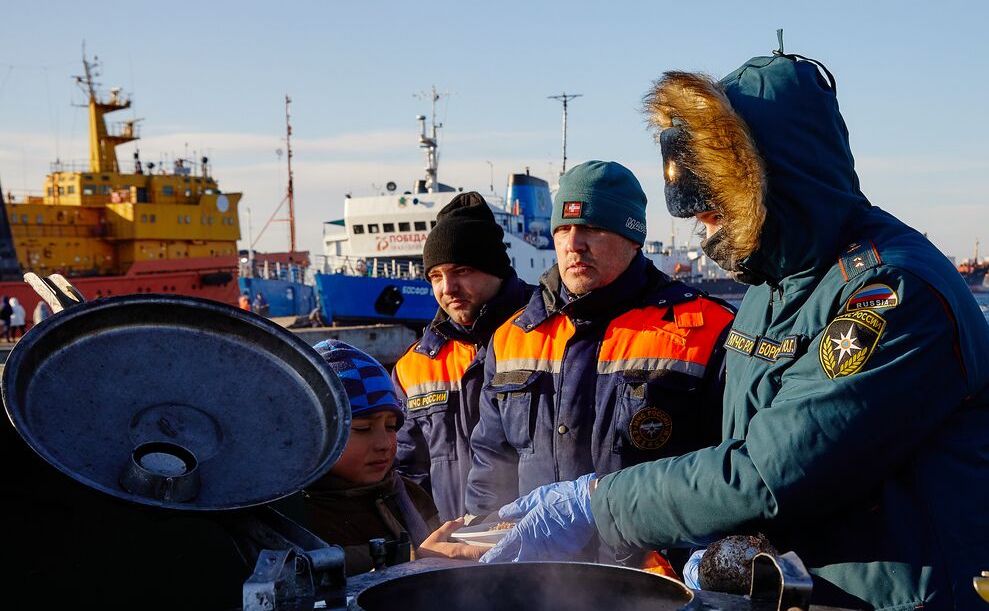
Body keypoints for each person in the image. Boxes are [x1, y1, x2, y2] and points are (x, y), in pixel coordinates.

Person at [482, 53, 989, 611]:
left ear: (768, 183)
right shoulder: (771, 288)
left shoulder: (890, 289)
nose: (703, 230)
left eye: (715, 211)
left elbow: (771, 473)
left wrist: (599, 504)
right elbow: (733, 444)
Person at [463, 161, 734, 571]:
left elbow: (730, 466)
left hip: (653, 583)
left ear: (632, 237)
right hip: (536, 584)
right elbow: (490, 464)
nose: (574, 244)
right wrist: (486, 539)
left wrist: (702, 558)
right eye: (562, 230)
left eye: (593, 228)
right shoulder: (511, 337)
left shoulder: (705, 328)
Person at [392, 191, 533, 523]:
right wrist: (424, 541)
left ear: (495, 269)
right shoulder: (415, 367)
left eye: (462, 270)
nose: (447, 287)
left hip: (542, 550)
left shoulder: (550, 337)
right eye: (436, 277)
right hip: (453, 557)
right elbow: (408, 472)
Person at [297, 340, 446, 575]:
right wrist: (420, 557)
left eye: (390, 427)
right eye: (363, 428)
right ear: (316, 435)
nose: (384, 444)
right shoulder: (301, 518)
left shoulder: (409, 494)